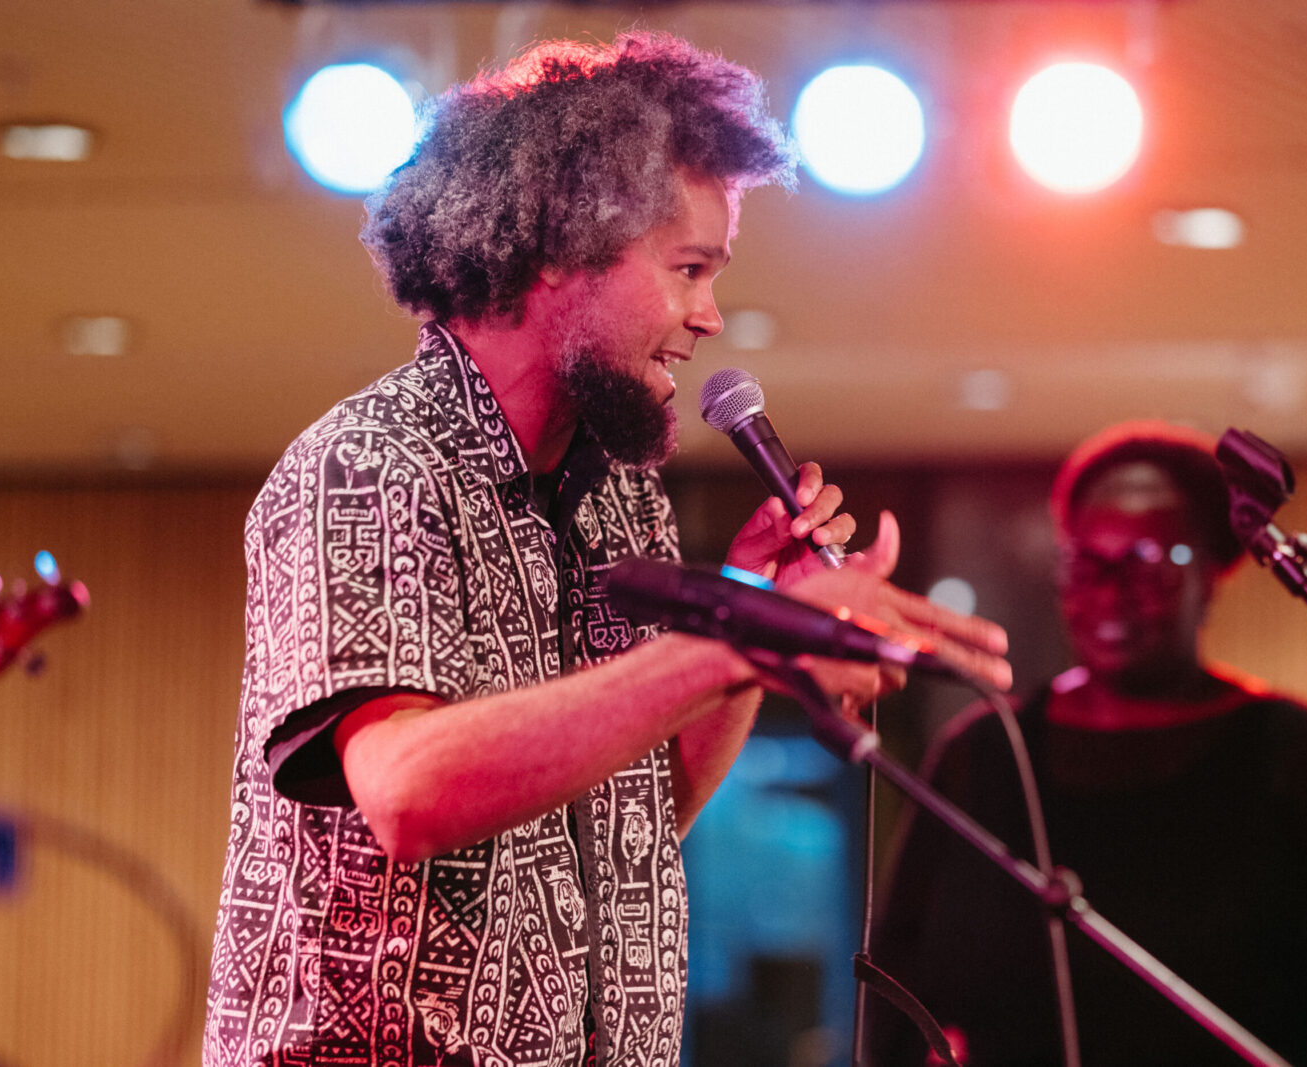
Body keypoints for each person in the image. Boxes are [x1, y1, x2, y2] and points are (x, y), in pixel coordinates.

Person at [202, 33, 1011, 1067]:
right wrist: (738, 640)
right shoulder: (370, 465)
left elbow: (638, 817)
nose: (708, 315)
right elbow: (405, 789)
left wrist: (748, 600)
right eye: (688, 269)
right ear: (560, 247)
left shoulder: (620, 496)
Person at [870, 421, 1307, 1066]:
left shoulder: (1298, 755)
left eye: (1149, 562)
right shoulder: (985, 751)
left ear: (1215, 571)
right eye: (1086, 561)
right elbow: (898, 980)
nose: (1110, 592)